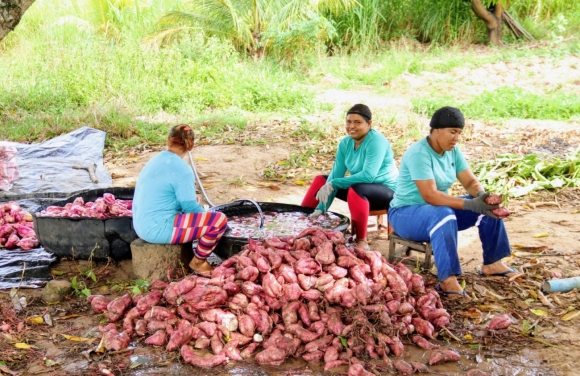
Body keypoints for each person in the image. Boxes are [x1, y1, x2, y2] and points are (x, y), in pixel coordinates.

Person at [388, 106, 522, 299]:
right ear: (436, 130)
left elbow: (469, 182)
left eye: (459, 133)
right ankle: (448, 279)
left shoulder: (453, 151)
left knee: (489, 210)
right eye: (452, 132)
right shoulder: (419, 154)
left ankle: (492, 263)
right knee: (444, 213)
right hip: (405, 214)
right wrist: (470, 205)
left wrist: (483, 198)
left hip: (436, 210)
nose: (456, 138)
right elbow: (430, 195)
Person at [132, 124, 227, 276]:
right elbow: (190, 207)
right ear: (191, 145)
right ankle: (198, 262)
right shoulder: (182, 170)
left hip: (141, 225)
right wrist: (205, 214)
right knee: (218, 221)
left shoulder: (155, 161)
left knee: (195, 201)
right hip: (158, 229)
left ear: (168, 140)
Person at [302, 104, 398, 249]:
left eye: (357, 122)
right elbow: (336, 174)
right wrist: (321, 208)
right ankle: (302, 222)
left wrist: (333, 184)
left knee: (355, 189)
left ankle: (361, 240)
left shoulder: (376, 142)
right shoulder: (345, 143)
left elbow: (368, 176)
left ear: (369, 123)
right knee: (321, 180)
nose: (352, 126)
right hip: (362, 188)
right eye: (349, 122)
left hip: (387, 191)